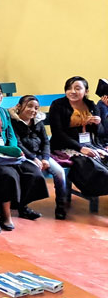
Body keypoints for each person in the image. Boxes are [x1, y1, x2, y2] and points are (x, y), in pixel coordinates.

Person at [0, 81, 49, 230]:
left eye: (0, 94)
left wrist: (12, 148)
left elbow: (10, 134)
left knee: (34, 173)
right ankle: (5, 215)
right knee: (8, 175)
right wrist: (5, 150)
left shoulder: (3, 111)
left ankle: (21, 206)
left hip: (8, 153)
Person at [47, 77, 108, 208]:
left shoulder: (91, 105)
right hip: (65, 146)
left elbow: (101, 133)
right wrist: (81, 149)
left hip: (91, 144)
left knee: (104, 159)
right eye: (69, 88)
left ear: (86, 91)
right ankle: (91, 190)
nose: (72, 91)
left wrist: (98, 124)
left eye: (77, 88)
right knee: (98, 169)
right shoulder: (58, 105)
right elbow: (58, 133)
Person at [12, 95, 69, 220]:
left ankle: (61, 206)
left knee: (60, 172)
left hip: (41, 156)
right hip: (24, 156)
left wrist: (45, 158)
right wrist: (33, 158)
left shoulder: (38, 122)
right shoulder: (13, 123)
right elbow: (18, 144)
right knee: (33, 174)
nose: (33, 110)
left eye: (36, 108)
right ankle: (23, 207)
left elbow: (46, 142)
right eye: (29, 106)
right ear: (19, 106)